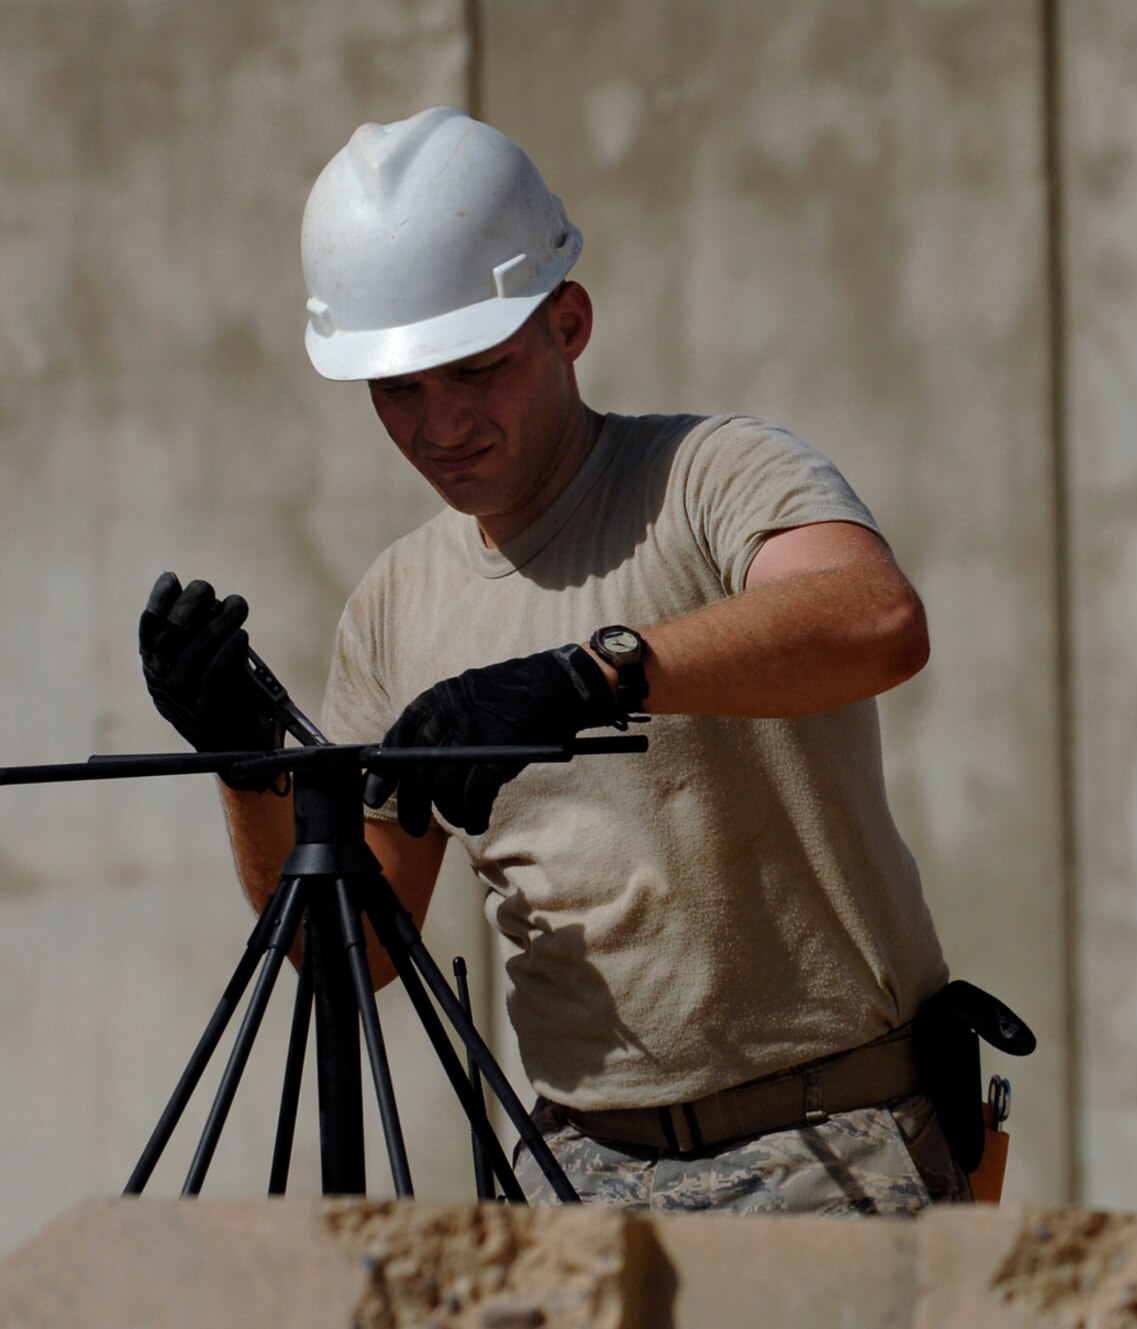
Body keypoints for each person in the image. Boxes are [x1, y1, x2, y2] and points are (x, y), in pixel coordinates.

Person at [135, 106, 974, 1214]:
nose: (441, 427)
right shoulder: (394, 608)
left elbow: (874, 620)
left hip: (834, 1143)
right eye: (400, 392)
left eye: (476, 373)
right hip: (578, 1170)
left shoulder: (709, 478)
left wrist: (597, 671)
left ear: (567, 322)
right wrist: (246, 771)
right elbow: (353, 961)